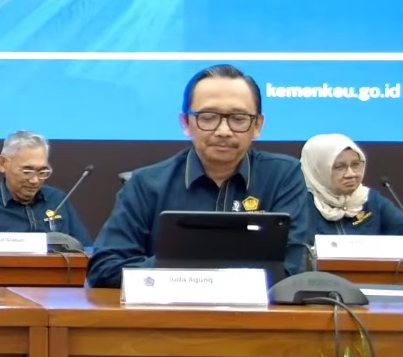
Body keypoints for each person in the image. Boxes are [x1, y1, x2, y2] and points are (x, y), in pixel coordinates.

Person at [86, 64, 311, 289]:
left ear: (258, 125)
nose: (223, 131)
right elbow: (104, 270)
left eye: (238, 118)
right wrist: (183, 262)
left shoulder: (283, 176)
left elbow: (288, 270)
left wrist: (194, 261)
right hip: (166, 309)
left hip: (256, 311)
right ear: (185, 123)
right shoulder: (145, 184)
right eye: (209, 117)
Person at [0, 130, 91, 246]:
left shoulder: (57, 200)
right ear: (3, 164)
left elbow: (86, 251)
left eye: (42, 172)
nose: (35, 180)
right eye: (27, 171)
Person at [301, 133, 403, 236]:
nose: (351, 174)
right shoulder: (300, 204)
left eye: (355, 165)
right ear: (318, 170)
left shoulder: (369, 199)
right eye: (340, 167)